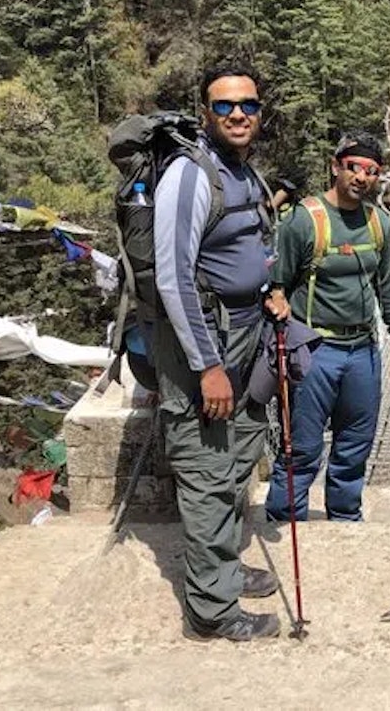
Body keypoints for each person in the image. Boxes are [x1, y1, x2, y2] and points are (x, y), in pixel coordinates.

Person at [152, 62, 288, 642]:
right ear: (206, 112)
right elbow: (173, 278)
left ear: (260, 113)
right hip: (207, 340)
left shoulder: (246, 175)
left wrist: (273, 288)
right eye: (226, 106)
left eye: (249, 106)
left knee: (237, 459)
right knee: (208, 470)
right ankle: (212, 611)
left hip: (249, 331)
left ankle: (222, 570)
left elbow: (254, 246)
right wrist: (208, 366)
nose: (238, 115)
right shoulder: (189, 176)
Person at [265, 132, 390, 522]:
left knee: (354, 446)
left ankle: (345, 522)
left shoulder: (378, 222)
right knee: (304, 447)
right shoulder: (303, 221)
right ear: (336, 166)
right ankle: (287, 519)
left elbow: (388, 284)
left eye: (371, 171)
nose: (362, 177)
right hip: (315, 349)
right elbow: (277, 282)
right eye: (354, 167)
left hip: (364, 348)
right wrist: (278, 303)